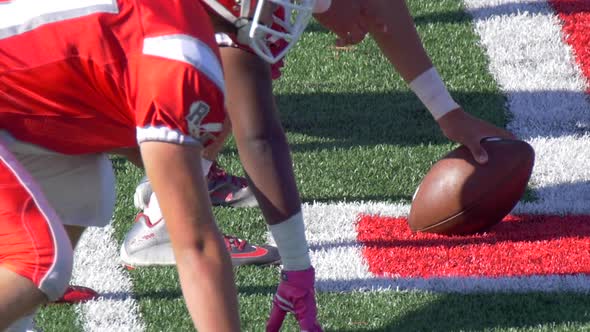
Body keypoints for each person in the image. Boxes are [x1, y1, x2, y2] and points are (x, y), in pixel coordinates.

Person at [0, 0, 319, 330]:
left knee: (84, 192)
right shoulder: (176, 50)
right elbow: (197, 247)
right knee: (38, 263)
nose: (276, 13)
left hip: (19, 103)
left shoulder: (171, 30)